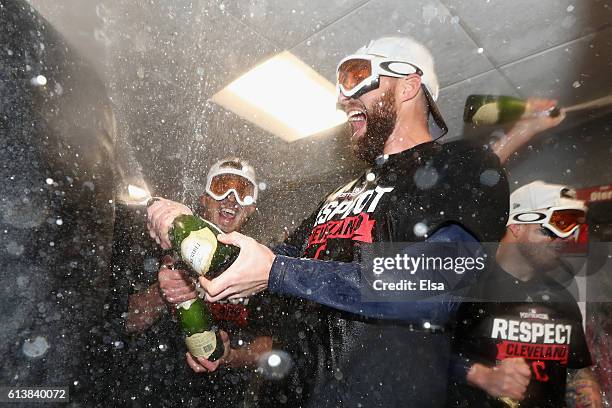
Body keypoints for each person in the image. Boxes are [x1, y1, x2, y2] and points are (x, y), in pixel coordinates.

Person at [149, 37, 510, 407]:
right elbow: (267, 262)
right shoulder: (338, 196)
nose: (342, 99)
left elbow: (432, 287)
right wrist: (191, 254)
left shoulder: (460, 164)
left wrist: (278, 272)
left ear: (408, 85)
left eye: (355, 76)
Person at [132, 158, 277, 406]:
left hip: (222, 398)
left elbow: (270, 344)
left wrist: (231, 356)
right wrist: (162, 292)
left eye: (242, 192)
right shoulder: (165, 242)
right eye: (222, 187)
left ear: (251, 207)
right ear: (204, 197)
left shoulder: (260, 265)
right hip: (154, 391)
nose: (231, 199)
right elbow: (131, 320)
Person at [447, 181, 603, 407]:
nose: (565, 238)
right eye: (554, 227)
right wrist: (483, 376)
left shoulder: (562, 300)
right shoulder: (467, 288)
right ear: (517, 226)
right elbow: (424, 356)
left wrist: (588, 390)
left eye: (571, 228)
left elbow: (575, 370)